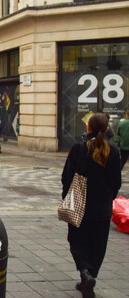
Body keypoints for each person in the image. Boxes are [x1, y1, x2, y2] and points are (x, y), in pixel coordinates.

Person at [61, 113, 122, 298]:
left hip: (79, 200)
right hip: (102, 205)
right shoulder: (113, 150)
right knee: (98, 244)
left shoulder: (78, 148)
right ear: (106, 129)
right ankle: (90, 277)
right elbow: (116, 182)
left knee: (76, 241)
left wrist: (67, 197)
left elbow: (67, 177)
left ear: (88, 128)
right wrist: (109, 196)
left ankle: (85, 273)